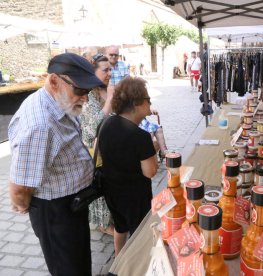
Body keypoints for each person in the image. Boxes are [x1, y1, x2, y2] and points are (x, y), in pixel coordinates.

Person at [8, 53, 104, 275]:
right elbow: (20, 189)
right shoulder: (40, 125)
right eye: (80, 91)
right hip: (55, 212)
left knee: (79, 261)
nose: (86, 98)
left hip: (69, 205)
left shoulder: (56, 100)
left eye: (88, 92)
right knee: (69, 269)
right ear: (53, 81)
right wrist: (25, 206)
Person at [98, 77, 158, 256]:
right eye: (147, 99)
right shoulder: (141, 137)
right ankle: (137, 265)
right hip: (135, 197)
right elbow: (150, 172)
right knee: (140, 232)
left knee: (120, 226)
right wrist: (153, 149)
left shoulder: (106, 123)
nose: (150, 102)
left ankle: (118, 260)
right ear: (136, 103)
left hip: (111, 191)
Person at [79, 53, 115, 236]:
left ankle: (112, 217)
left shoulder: (107, 89)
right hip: (95, 151)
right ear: (93, 72)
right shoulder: (87, 95)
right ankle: (102, 223)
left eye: (110, 69)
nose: (110, 72)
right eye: (105, 70)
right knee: (100, 185)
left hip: (110, 147)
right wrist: (109, 99)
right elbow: (94, 126)